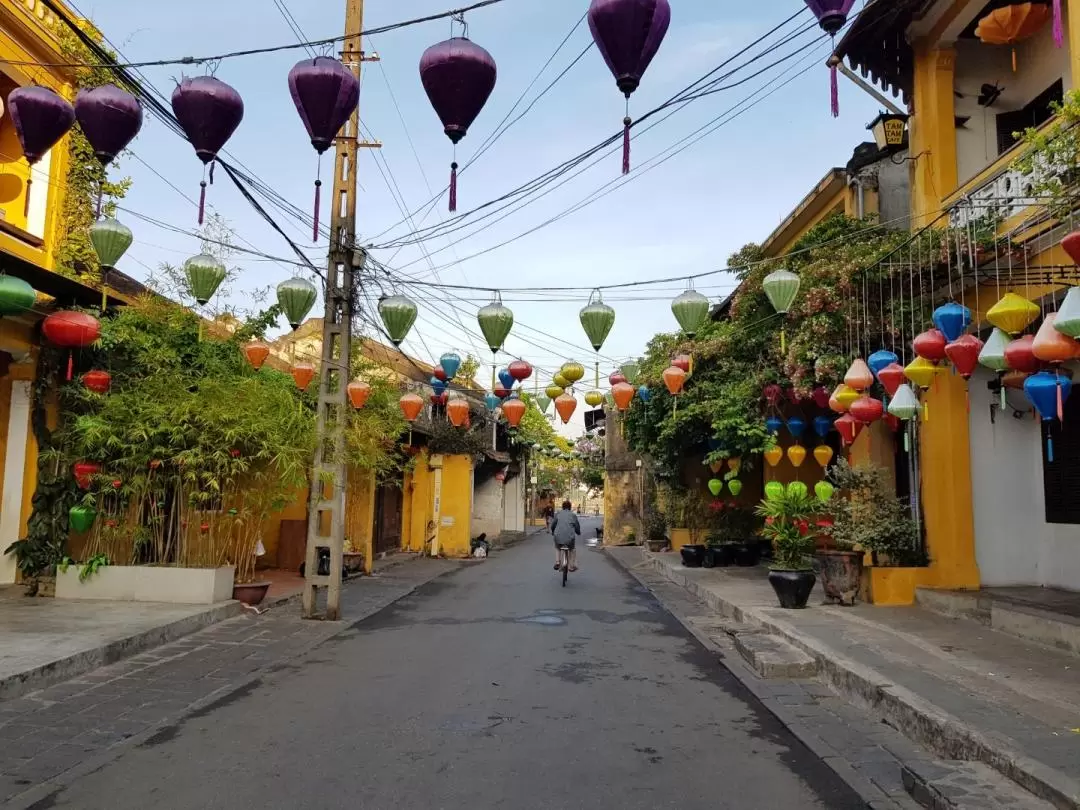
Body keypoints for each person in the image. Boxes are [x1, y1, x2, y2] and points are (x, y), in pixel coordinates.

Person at [550, 500, 581, 572]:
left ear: (562, 507)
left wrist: (553, 531)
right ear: (570, 507)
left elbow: (553, 525)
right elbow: (577, 526)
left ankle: (557, 562)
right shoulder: (573, 515)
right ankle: (571, 566)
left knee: (557, 547)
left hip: (558, 537)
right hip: (570, 539)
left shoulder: (558, 514)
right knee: (572, 549)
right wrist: (578, 532)